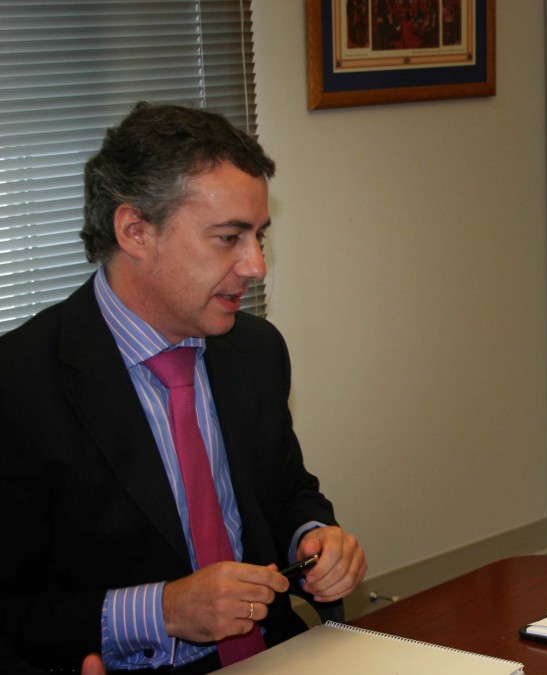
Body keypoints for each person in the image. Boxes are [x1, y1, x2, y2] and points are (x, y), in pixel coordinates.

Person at [0, 102, 367, 672]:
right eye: (228, 238)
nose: (255, 266)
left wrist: (313, 535)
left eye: (258, 237)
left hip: (278, 653)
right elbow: (11, 611)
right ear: (135, 231)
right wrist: (164, 609)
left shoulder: (253, 350)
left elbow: (286, 490)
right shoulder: (19, 384)